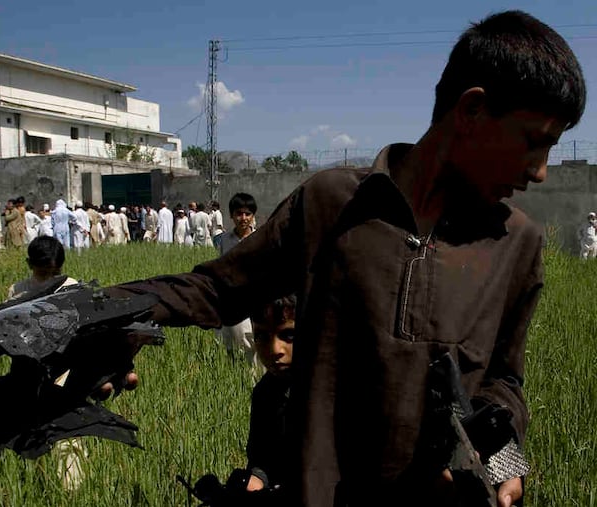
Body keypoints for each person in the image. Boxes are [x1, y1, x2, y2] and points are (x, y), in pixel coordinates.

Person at [107, 11, 585, 506]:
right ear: (471, 111)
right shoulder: (332, 205)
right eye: (535, 141)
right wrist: (98, 312)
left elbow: (502, 384)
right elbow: (216, 289)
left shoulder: (517, 242)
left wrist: (507, 464)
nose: (541, 171)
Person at [4, 236, 86, 489]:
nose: (50, 277)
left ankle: (72, 490)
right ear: (30, 265)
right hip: (29, 373)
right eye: (43, 273)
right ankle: (40, 485)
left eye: (55, 272)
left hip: (65, 372)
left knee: (67, 434)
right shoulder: (17, 291)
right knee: (33, 432)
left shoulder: (73, 287)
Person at [245, 294, 296, 494]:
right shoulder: (265, 393)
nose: (275, 349)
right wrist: (254, 480)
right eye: (262, 336)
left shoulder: (335, 390)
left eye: (288, 335)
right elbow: (262, 459)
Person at [218, 193, 259, 366]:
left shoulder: (260, 239)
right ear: (231, 215)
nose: (243, 218)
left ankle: (253, 382)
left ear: (253, 216)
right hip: (231, 298)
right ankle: (234, 378)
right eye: (239, 213)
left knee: (252, 343)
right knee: (230, 341)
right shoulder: (225, 240)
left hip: (255, 299)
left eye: (248, 214)